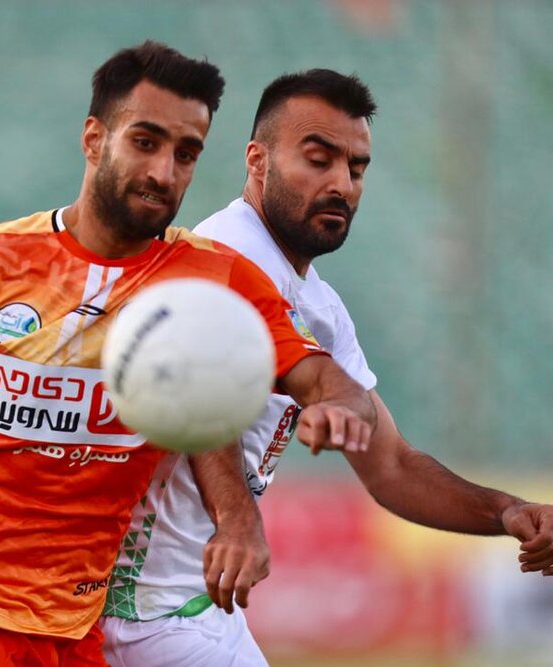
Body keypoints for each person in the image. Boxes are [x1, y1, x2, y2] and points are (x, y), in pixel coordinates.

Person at [0, 43, 378, 666]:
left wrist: (332, 410)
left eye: (185, 153)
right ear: (93, 139)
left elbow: (324, 378)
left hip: (71, 630)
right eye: (145, 142)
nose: (164, 172)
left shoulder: (212, 284)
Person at [99, 68, 553, 667]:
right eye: (318, 160)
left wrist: (507, 510)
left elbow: (391, 465)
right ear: (257, 161)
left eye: (356, 168)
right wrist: (237, 518)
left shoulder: (320, 307)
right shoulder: (218, 257)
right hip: (139, 614)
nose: (341, 183)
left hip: (203, 607)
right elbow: (195, 395)